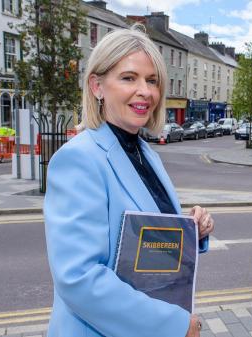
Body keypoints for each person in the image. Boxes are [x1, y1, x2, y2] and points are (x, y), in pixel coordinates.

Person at [44, 25, 214, 337]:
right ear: (97, 86)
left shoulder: (145, 153)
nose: (145, 91)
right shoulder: (79, 159)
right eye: (128, 78)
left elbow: (144, 238)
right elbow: (79, 278)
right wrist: (174, 325)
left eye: (152, 81)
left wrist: (192, 228)